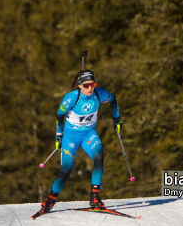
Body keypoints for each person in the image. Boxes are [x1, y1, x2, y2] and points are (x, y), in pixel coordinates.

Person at [34, 70, 122, 217]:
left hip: (89, 133)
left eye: (92, 84)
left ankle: (95, 197)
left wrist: (116, 118)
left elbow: (113, 100)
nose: (90, 88)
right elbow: (59, 115)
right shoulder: (71, 98)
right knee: (67, 168)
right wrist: (59, 136)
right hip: (71, 135)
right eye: (86, 85)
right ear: (80, 85)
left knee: (99, 157)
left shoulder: (99, 94)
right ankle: (50, 200)